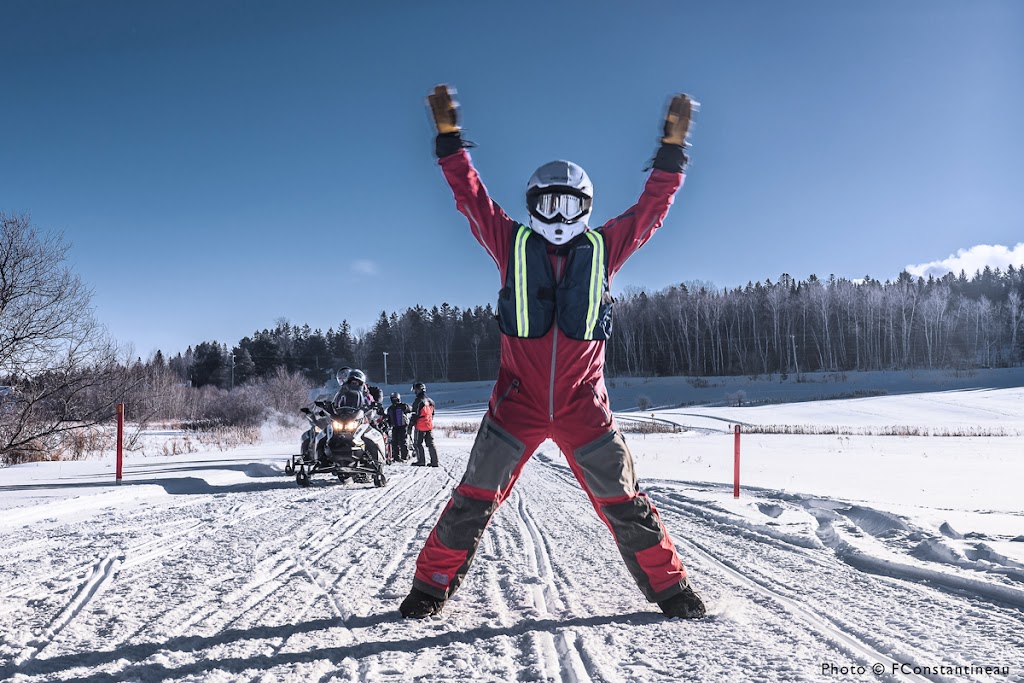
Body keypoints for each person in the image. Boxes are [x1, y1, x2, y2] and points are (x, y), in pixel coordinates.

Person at [399, 85, 706, 620]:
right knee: (473, 500)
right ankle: (430, 587)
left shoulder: (605, 249)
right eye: (549, 203)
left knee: (625, 505)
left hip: (584, 408)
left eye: (569, 204)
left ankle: (672, 590)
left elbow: (651, 209)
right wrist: (450, 142)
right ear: (532, 206)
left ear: (585, 209)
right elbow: (471, 198)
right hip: (513, 407)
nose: (558, 214)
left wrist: (671, 155)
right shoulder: (510, 244)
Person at [409, 382, 438, 468]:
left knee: (418, 444)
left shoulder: (418, 401)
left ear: (418, 390)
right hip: (429, 425)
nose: (414, 392)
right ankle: (435, 461)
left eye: (415, 390)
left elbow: (414, 415)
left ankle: (421, 461)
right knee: (430, 444)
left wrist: (410, 426)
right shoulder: (431, 401)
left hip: (420, 426)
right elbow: (432, 414)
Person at [387, 392, 412, 462]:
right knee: (394, 442)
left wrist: (407, 407)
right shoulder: (390, 408)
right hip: (395, 426)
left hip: (403, 426)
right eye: (393, 399)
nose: (394, 400)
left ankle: (404, 456)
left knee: (403, 441)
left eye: (396, 399)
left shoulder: (403, 406)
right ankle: (396, 457)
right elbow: (389, 418)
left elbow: (410, 409)